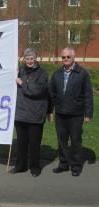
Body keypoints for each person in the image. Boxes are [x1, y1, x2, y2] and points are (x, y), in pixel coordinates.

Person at [49, 47, 93, 177]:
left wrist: (88, 113)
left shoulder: (82, 73)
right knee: (61, 141)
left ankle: (76, 166)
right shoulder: (57, 74)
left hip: (76, 114)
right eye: (63, 57)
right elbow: (52, 94)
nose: (65, 59)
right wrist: (50, 111)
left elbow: (88, 95)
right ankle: (63, 164)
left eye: (68, 57)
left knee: (75, 141)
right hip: (60, 113)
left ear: (73, 58)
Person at [9, 48, 51, 177]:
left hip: (35, 115)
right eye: (27, 59)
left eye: (32, 58)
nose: (29, 61)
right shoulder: (20, 71)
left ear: (36, 58)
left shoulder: (42, 74)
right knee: (21, 143)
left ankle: (35, 167)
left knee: (34, 143)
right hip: (20, 114)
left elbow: (36, 90)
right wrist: (13, 74)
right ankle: (20, 165)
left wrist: (21, 82)